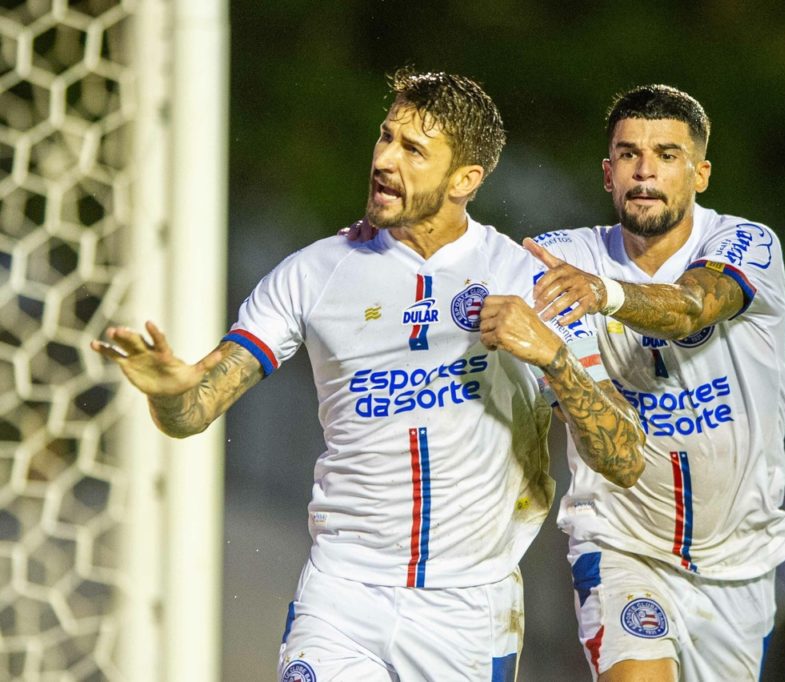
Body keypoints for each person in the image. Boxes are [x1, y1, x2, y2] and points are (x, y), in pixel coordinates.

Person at [91, 69, 644, 682]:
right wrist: (169, 392)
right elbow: (193, 411)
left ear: (466, 179)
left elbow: (623, 458)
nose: (384, 159)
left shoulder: (528, 281)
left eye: (412, 150)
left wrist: (554, 359)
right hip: (341, 593)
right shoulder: (312, 274)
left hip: (468, 606)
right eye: (385, 137)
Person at [526, 84, 785, 681]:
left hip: (741, 559)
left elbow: (691, 307)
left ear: (700, 173)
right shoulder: (560, 258)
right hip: (622, 543)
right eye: (628, 154)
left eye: (667, 155)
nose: (645, 172)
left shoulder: (747, 244)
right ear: (607, 173)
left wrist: (608, 295)